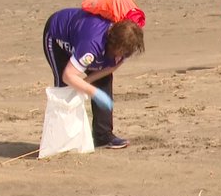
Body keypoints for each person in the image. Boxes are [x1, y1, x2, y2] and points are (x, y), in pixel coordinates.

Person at [42, 8, 145, 149]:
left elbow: (110, 68)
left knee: (104, 80)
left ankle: (102, 135)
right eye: (121, 53)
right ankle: (62, 139)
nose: (122, 57)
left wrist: (86, 83)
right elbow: (68, 76)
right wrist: (93, 92)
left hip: (83, 38)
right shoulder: (91, 46)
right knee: (65, 89)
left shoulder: (127, 45)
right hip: (57, 36)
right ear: (113, 45)